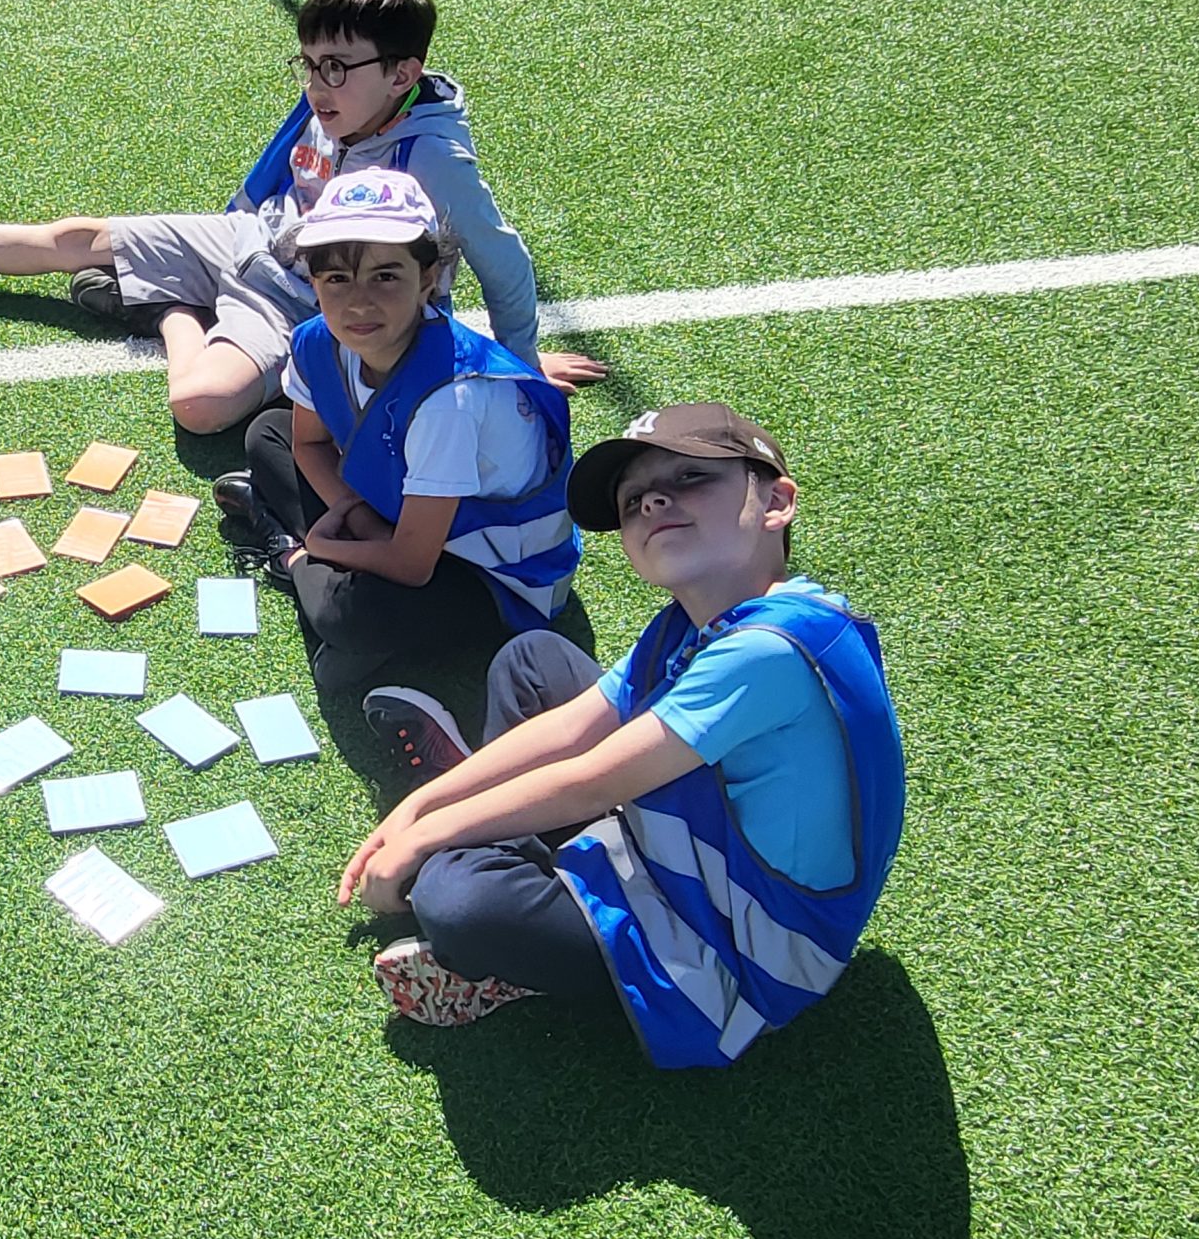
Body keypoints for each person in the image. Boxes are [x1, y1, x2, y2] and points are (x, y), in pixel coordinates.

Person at [338, 404, 906, 1068]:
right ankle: (500, 842)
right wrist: (420, 806)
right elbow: (575, 727)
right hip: (687, 850)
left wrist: (424, 836)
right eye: (634, 500)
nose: (653, 501)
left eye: (691, 477)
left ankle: (506, 942)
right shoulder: (698, 622)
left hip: (739, 952)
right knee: (534, 662)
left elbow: (590, 780)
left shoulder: (769, 651)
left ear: (776, 502)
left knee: (457, 901)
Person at [0, 0, 605, 433]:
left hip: (307, 298)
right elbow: (270, 173)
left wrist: (521, 363)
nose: (317, 86)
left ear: (402, 73)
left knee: (199, 407)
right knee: (78, 237)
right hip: (254, 237)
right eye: (308, 64)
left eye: (337, 67)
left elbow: (503, 260)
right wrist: (220, 241)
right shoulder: (334, 103)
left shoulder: (434, 157)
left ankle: (169, 313)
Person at [211, 169, 577, 697]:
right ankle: (335, 587)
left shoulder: (452, 399)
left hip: (488, 571)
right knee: (268, 434)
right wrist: (358, 515)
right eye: (337, 279)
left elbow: (412, 564)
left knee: (352, 618)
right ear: (312, 279)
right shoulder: (315, 341)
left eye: (385, 276)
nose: (359, 303)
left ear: (429, 278)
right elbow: (307, 443)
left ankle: (293, 558)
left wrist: (320, 544)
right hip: (396, 512)